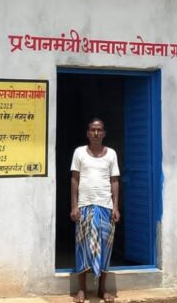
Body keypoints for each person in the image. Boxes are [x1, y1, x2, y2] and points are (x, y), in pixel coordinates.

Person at [70, 118, 120, 303]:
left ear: (104, 133)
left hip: (106, 207)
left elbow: (114, 181)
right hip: (85, 207)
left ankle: (102, 289)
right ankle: (81, 290)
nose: (96, 133)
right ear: (88, 133)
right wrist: (74, 206)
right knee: (82, 247)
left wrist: (116, 206)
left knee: (105, 248)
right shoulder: (79, 152)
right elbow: (74, 179)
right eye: (93, 130)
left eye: (99, 130)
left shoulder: (111, 154)